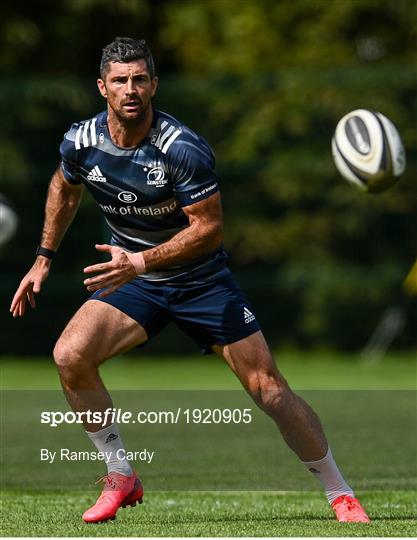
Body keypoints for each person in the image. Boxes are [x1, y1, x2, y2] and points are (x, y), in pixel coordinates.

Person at [10, 37, 370, 524]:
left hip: (200, 280)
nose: (131, 89)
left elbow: (209, 230)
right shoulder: (81, 141)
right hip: (136, 279)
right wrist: (44, 257)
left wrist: (137, 263)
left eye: (140, 79)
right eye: (120, 80)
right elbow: (64, 186)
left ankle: (340, 493)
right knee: (70, 356)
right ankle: (121, 475)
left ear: (154, 84)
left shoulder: (182, 148)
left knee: (269, 390)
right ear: (102, 87)